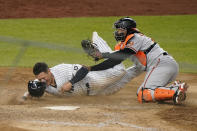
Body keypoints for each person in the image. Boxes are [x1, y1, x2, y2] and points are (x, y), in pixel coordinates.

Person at [62, 17, 189, 104]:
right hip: (163, 67)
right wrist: (101, 55)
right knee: (143, 92)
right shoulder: (130, 44)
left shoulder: (136, 38)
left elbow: (117, 59)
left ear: (127, 29)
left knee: (143, 94)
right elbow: (118, 57)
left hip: (161, 65)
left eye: (120, 29)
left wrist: (92, 68)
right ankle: (175, 88)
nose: (117, 32)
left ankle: (175, 91)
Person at [23, 32, 138, 99]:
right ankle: (142, 66)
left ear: (49, 71)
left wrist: (70, 82)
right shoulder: (43, 83)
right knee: (126, 77)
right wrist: (25, 96)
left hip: (95, 80)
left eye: (44, 77)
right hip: (94, 94)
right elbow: (33, 87)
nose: (43, 81)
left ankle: (98, 49)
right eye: (40, 79)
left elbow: (84, 69)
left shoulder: (61, 69)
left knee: (120, 70)